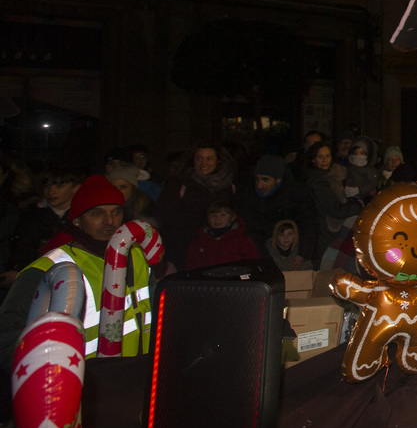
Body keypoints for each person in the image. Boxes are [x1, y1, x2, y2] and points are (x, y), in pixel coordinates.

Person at [0, 175, 156, 370]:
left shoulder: (136, 256)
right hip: (82, 387)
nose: (110, 221)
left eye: (116, 212)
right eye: (97, 214)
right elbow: (8, 338)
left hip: (136, 376)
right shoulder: (49, 267)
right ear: (76, 221)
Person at [154, 143, 238, 269]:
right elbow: (164, 214)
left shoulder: (229, 185)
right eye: (199, 158)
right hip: (184, 248)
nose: (203, 164)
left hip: (220, 248)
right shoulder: (179, 182)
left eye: (209, 158)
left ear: (218, 160)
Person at [235, 154, 319, 259]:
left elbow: (309, 224)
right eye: (257, 179)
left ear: (278, 180)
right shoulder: (248, 195)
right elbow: (250, 230)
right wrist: (265, 258)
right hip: (263, 250)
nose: (259, 185)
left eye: (265, 180)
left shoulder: (297, 193)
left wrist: (302, 254)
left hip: (293, 249)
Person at [305, 141, 364, 259]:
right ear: (313, 160)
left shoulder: (338, 174)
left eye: (327, 156)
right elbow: (334, 208)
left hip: (339, 229)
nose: (324, 160)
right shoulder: (318, 181)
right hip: (326, 232)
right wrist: (358, 207)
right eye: (320, 157)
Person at [183, 201, 259, 271]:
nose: (217, 219)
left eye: (223, 215)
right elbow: (191, 265)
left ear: (232, 217)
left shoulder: (242, 240)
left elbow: (252, 262)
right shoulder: (199, 242)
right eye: (213, 215)